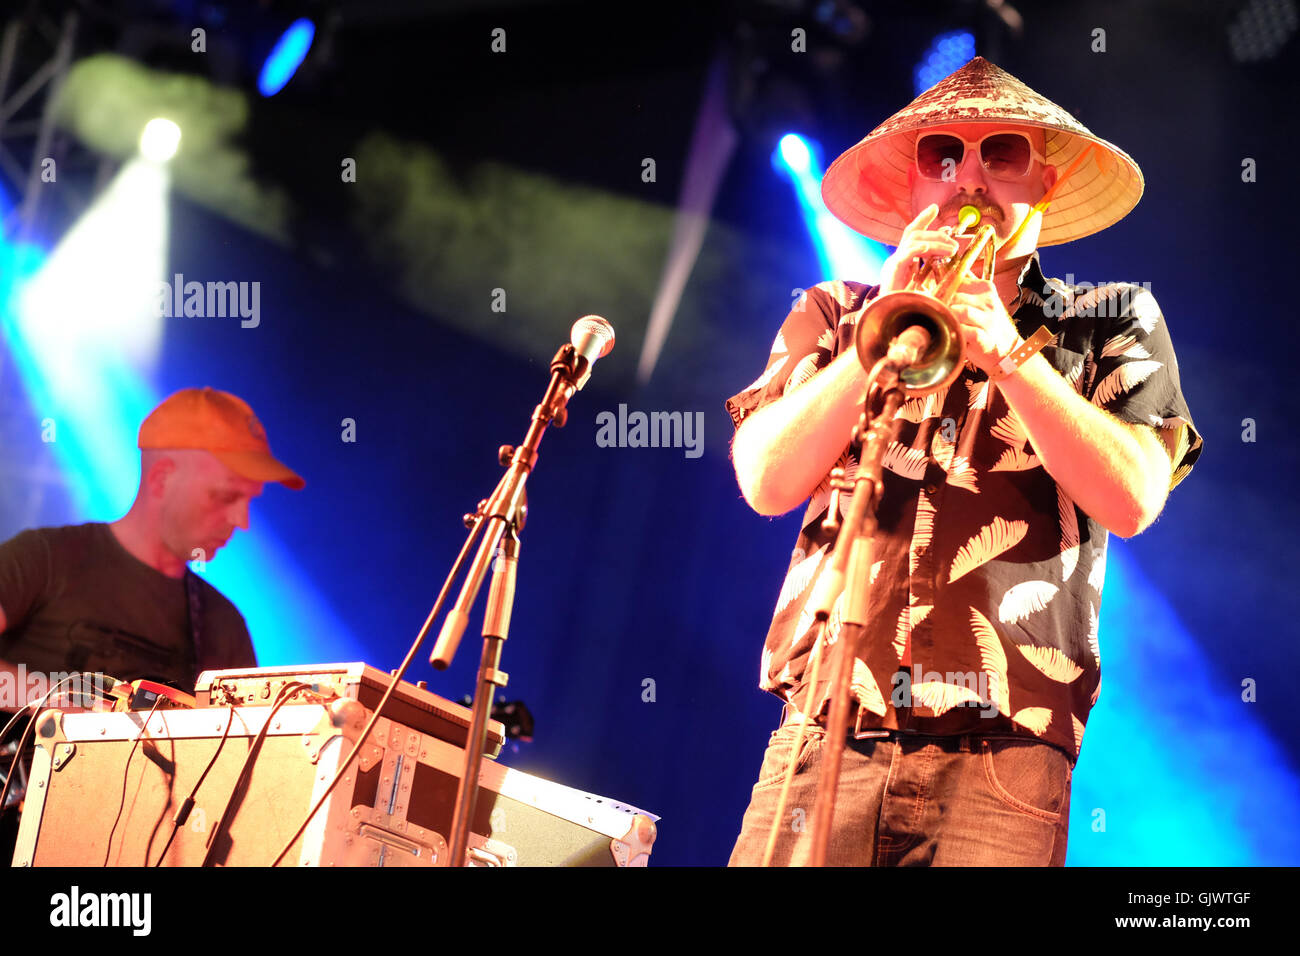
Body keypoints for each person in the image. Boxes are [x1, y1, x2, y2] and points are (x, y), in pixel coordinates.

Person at [724, 57, 1202, 866]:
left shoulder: (1112, 320)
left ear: (1043, 179)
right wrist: (881, 324)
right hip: (825, 733)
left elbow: (1133, 498)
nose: (968, 178)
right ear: (914, 183)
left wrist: (1010, 355)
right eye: (943, 155)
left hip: (1006, 759)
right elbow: (764, 479)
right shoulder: (835, 312)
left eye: (1001, 155)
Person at [0, 387, 304, 710]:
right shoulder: (46, 556)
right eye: (226, 496)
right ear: (161, 478)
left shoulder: (224, 626)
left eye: (249, 500)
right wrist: (67, 705)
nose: (242, 520)